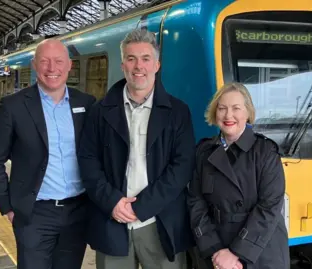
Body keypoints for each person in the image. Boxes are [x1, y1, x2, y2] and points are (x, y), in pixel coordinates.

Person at [78, 29, 196, 269]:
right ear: (122, 65)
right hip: (112, 222)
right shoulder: (100, 111)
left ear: (157, 64)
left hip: (161, 222)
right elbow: (88, 161)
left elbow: (182, 167)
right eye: (131, 59)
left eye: (145, 58)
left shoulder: (178, 112)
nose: (138, 66)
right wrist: (113, 202)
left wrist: (141, 207)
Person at [0, 39, 96, 269]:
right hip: (35, 213)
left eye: (58, 62)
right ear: (34, 65)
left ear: (69, 66)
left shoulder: (86, 104)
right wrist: (7, 206)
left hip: (78, 212)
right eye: (44, 62)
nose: (51, 69)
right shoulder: (12, 107)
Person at [187, 82, 289, 269]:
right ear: (214, 112)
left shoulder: (265, 151)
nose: (228, 115)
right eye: (222, 108)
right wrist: (215, 249)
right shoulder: (203, 152)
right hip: (216, 252)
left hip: (259, 251)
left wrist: (236, 253)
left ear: (247, 113)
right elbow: (195, 201)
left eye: (236, 108)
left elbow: (269, 206)